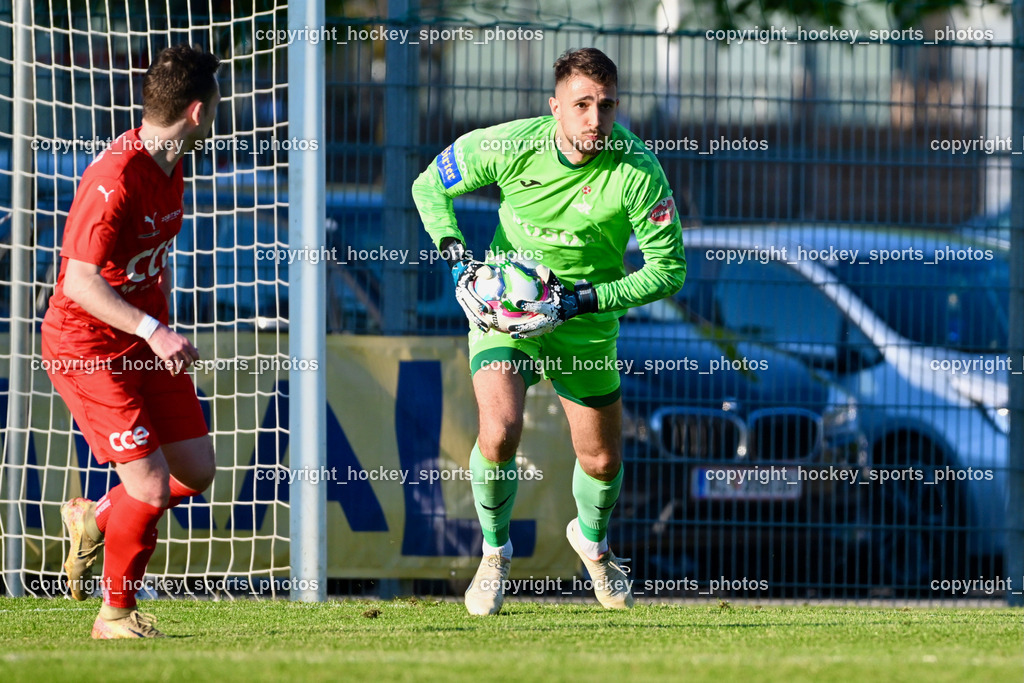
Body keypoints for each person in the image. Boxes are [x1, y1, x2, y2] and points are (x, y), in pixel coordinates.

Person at [411, 47, 686, 615]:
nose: (595, 119)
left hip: (583, 322)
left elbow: (668, 271)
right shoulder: (512, 145)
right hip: (506, 316)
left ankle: (593, 543)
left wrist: (583, 299)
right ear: (554, 106)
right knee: (501, 430)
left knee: (603, 463)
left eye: (606, 106)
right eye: (582, 104)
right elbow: (428, 187)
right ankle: (494, 556)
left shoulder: (638, 171)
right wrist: (458, 256)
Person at [44, 44, 221, 638]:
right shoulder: (112, 179)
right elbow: (78, 281)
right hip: (87, 345)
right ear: (199, 112)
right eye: (218, 105)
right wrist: (154, 329)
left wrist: (151, 329)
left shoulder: (172, 162)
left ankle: (95, 519)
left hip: (142, 342)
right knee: (145, 486)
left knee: (195, 471)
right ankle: (114, 617)